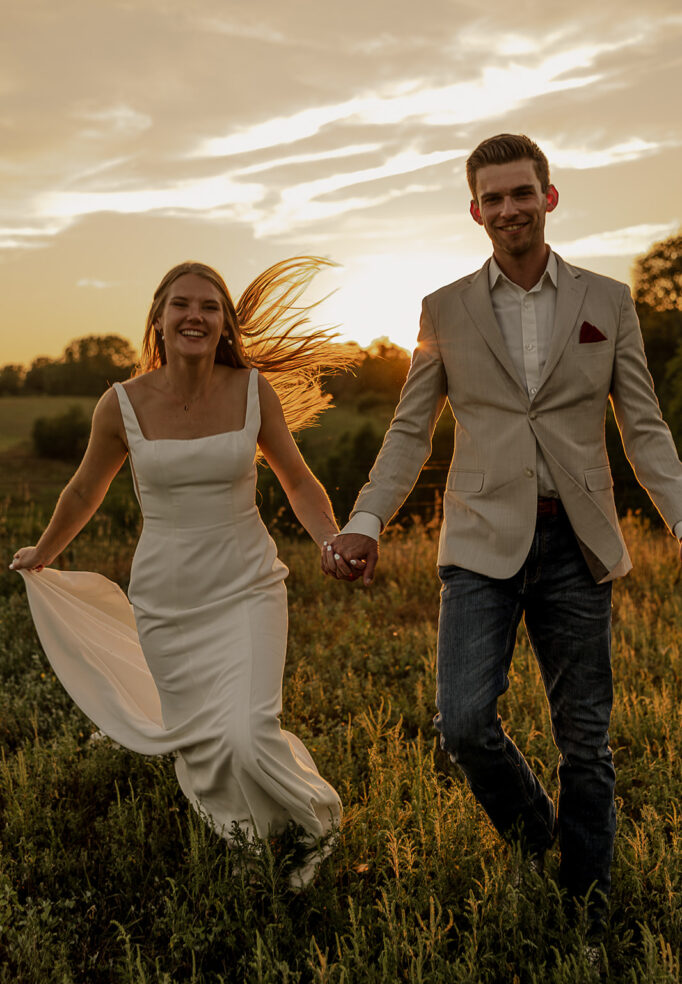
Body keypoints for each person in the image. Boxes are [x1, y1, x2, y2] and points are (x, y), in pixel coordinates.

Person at [327, 134, 682, 926]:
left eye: (522, 193)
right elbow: (410, 431)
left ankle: (587, 909)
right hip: (480, 542)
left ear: (548, 198)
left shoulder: (607, 302)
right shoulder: (443, 309)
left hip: (578, 544)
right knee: (463, 723)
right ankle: (538, 833)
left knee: (585, 744)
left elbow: (645, 429)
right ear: (476, 210)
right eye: (493, 198)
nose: (509, 208)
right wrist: (367, 519)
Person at [10, 256, 347, 889]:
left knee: (247, 731)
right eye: (181, 305)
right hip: (167, 599)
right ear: (159, 322)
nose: (195, 315)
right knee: (203, 741)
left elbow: (298, 481)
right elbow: (85, 490)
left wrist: (329, 539)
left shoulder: (252, 391)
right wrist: (45, 551)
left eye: (209, 306)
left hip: (247, 584)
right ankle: (253, 848)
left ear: (224, 325)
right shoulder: (121, 405)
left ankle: (312, 823)